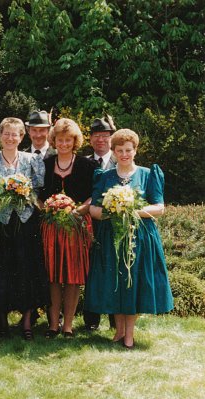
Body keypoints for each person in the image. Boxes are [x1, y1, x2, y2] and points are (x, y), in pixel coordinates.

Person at [85, 129, 173, 349]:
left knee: (133, 283)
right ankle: (119, 330)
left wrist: (131, 210)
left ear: (135, 150)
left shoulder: (147, 174)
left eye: (128, 150)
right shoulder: (104, 176)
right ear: (113, 152)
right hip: (111, 237)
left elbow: (159, 207)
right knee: (116, 281)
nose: (124, 154)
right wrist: (113, 211)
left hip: (139, 237)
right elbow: (94, 209)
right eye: (120, 150)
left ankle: (129, 335)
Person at [0, 117, 48, 340]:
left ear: (21, 137)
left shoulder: (33, 160)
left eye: (14, 134)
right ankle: (2, 322)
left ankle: (26, 321)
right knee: (0, 272)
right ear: (0, 136)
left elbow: (38, 193)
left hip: (26, 224)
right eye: (6, 134)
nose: (10, 138)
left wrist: (24, 193)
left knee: (27, 272)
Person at [39, 119, 97, 338]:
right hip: (51, 227)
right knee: (53, 276)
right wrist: (48, 208)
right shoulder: (45, 164)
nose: (64, 144)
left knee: (73, 276)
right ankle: (53, 324)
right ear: (54, 140)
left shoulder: (87, 165)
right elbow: (36, 195)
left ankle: (68, 326)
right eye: (60, 140)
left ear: (75, 141)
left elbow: (95, 195)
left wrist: (78, 210)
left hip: (76, 226)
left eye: (68, 140)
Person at [84, 115, 117, 330]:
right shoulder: (83, 162)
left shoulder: (120, 159)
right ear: (90, 139)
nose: (101, 140)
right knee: (91, 270)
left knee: (114, 269)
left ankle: (115, 318)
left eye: (105, 136)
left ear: (111, 138)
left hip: (114, 224)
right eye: (96, 135)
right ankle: (91, 319)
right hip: (89, 223)